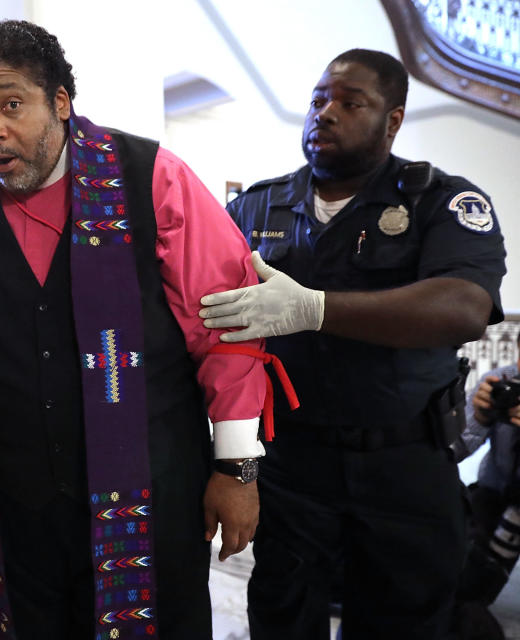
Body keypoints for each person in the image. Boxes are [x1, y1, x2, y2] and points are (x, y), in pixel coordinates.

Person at [0, 20, 292, 640]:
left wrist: (237, 465)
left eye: (10, 105)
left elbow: (226, 321)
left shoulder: (150, 177)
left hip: (149, 484)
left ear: (60, 102)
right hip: (10, 493)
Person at [199, 49, 507, 638]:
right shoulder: (256, 206)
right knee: (283, 616)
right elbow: (205, 317)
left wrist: (315, 309)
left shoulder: (439, 202)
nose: (325, 114)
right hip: (292, 466)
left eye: (350, 102)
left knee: (404, 622)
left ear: (392, 119)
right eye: (318, 101)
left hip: (405, 466)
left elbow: (464, 307)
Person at [454, 332, 520, 636]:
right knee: (466, 583)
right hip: (495, 490)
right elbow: (452, 451)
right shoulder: (502, 383)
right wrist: (479, 416)